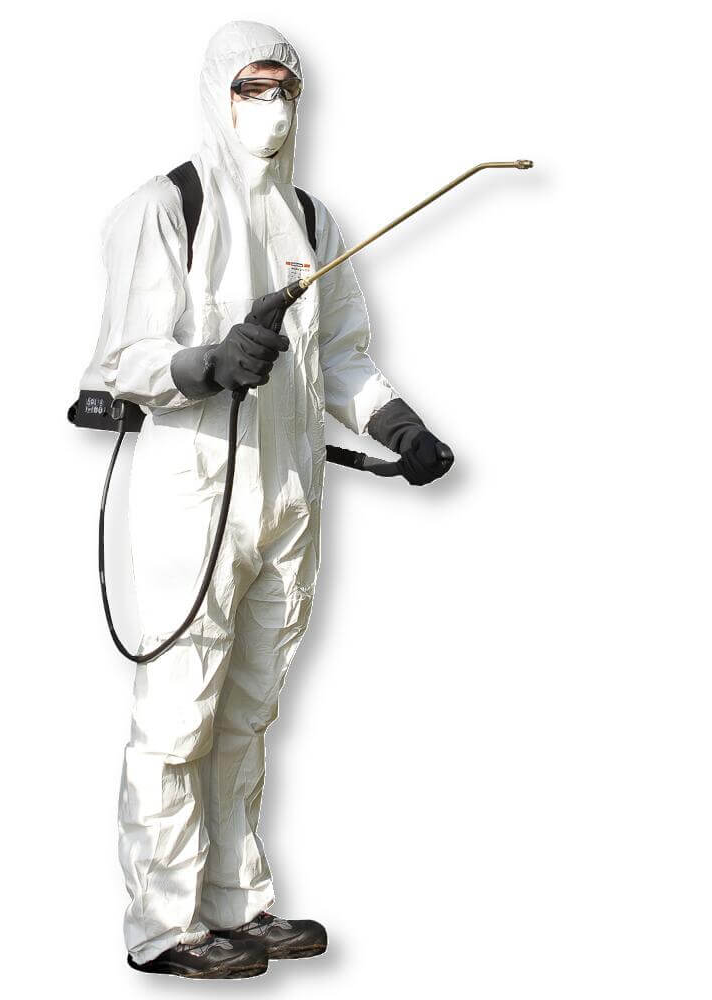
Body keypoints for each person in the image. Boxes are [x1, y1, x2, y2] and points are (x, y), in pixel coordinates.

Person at [84, 20, 453, 979]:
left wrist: (400, 425)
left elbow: (345, 359)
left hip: (287, 499)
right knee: (179, 717)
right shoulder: (168, 207)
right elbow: (124, 358)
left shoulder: (314, 223)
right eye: (252, 87)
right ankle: (162, 927)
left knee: (248, 713)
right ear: (219, 93)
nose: (271, 105)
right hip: (193, 497)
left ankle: (235, 904)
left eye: (284, 87)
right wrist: (207, 363)